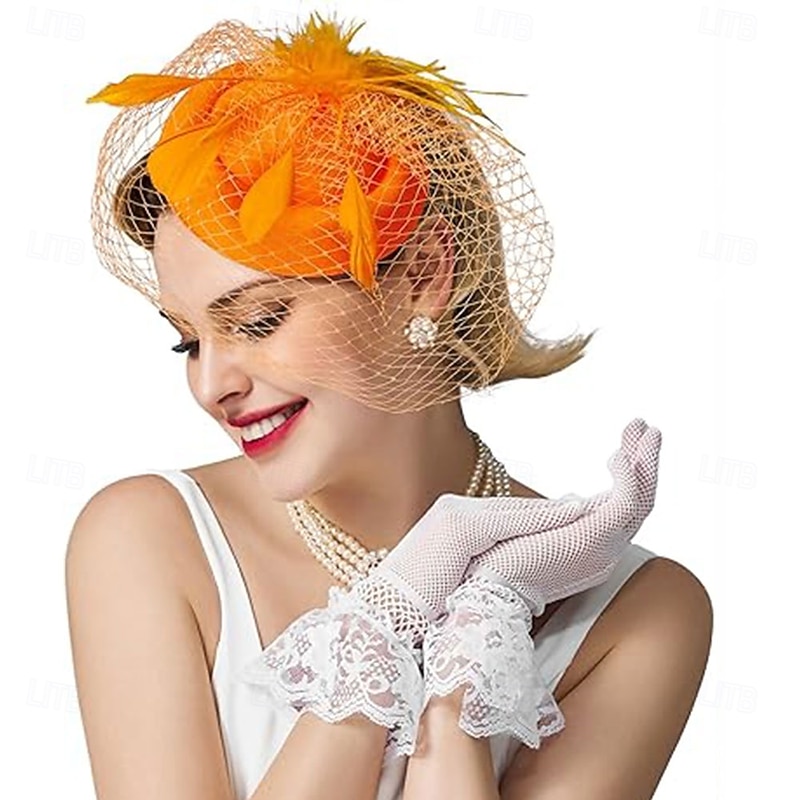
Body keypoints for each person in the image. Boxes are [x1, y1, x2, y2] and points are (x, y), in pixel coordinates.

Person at [66, 14, 712, 800]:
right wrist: (391, 609)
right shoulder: (149, 538)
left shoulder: (640, 615)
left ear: (424, 275)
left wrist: (478, 629)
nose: (211, 385)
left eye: (260, 320)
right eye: (188, 342)